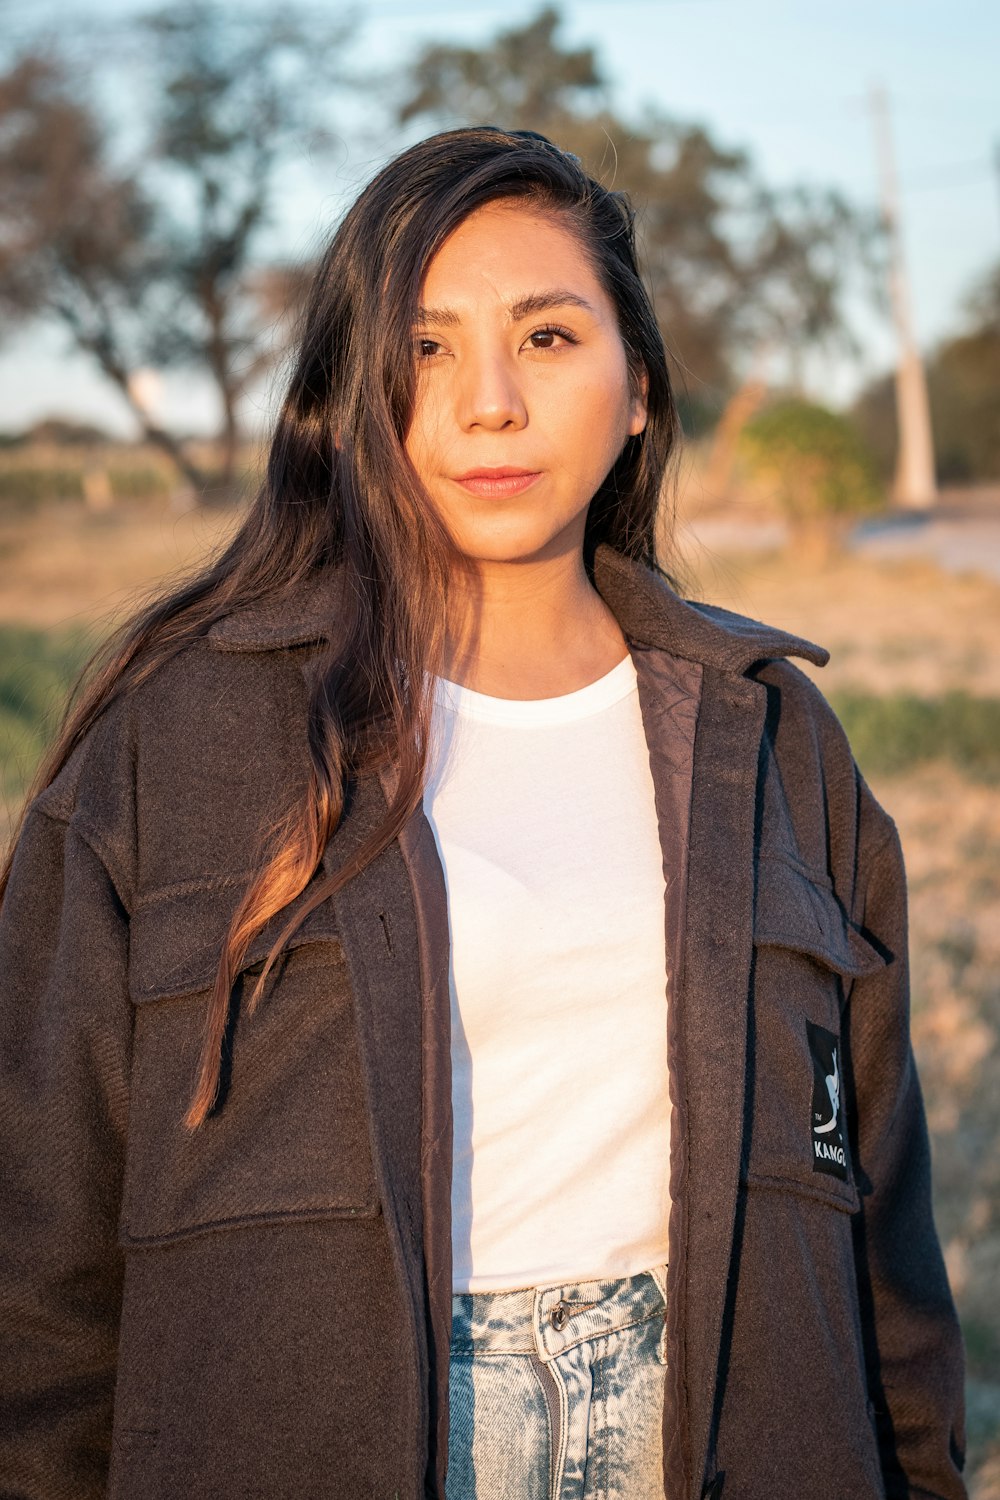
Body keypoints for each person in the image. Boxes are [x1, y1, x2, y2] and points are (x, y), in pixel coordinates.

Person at [0, 126, 966, 1500]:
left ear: (637, 388)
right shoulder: (177, 740)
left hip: (724, 1430)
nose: (489, 403)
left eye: (551, 338)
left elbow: (883, 1230)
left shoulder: (774, 736)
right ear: (350, 399)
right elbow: (37, 1270)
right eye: (426, 347)